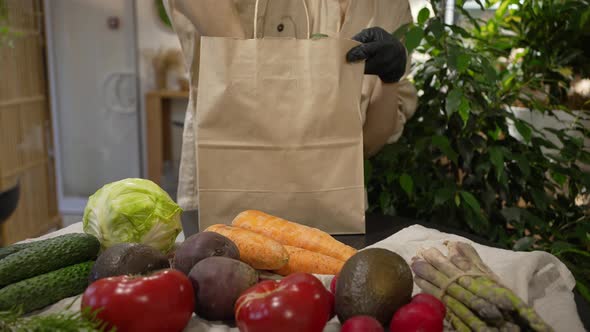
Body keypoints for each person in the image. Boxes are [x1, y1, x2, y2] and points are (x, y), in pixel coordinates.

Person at [163, 0, 418, 226]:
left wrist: (390, 78)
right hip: (231, 196)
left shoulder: (391, 6)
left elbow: (368, 144)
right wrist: (246, 59)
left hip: (328, 206)